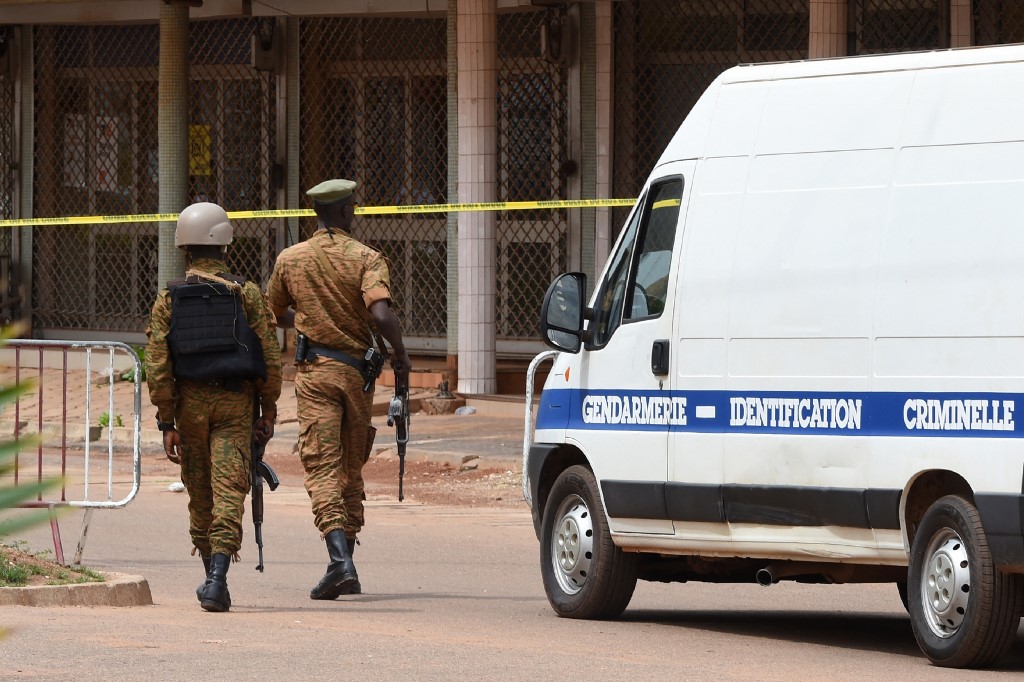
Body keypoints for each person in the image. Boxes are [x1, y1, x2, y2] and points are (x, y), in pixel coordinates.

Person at [266, 178, 411, 600]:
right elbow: (381, 315)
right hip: (357, 377)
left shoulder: (290, 259)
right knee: (350, 466)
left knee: (322, 466)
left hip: (316, 375)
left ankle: (339, 562)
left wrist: (307, 319)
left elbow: (274, 311)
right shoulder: (368, 258)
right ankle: (346, 561)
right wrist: (401, 354)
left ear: (316, 213)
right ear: (347, 211)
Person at [145, 201, 282, 612]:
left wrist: (166, 420)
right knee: (229, 490)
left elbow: (157, 365)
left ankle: (211, 578)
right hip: (235, 403)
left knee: (200, 491)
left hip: (190, 406)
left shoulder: (169, 297)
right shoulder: (248, 293)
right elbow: (270, 357)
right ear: (225, 245)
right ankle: (218, 579)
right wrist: (268, 409)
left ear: (184, 248)